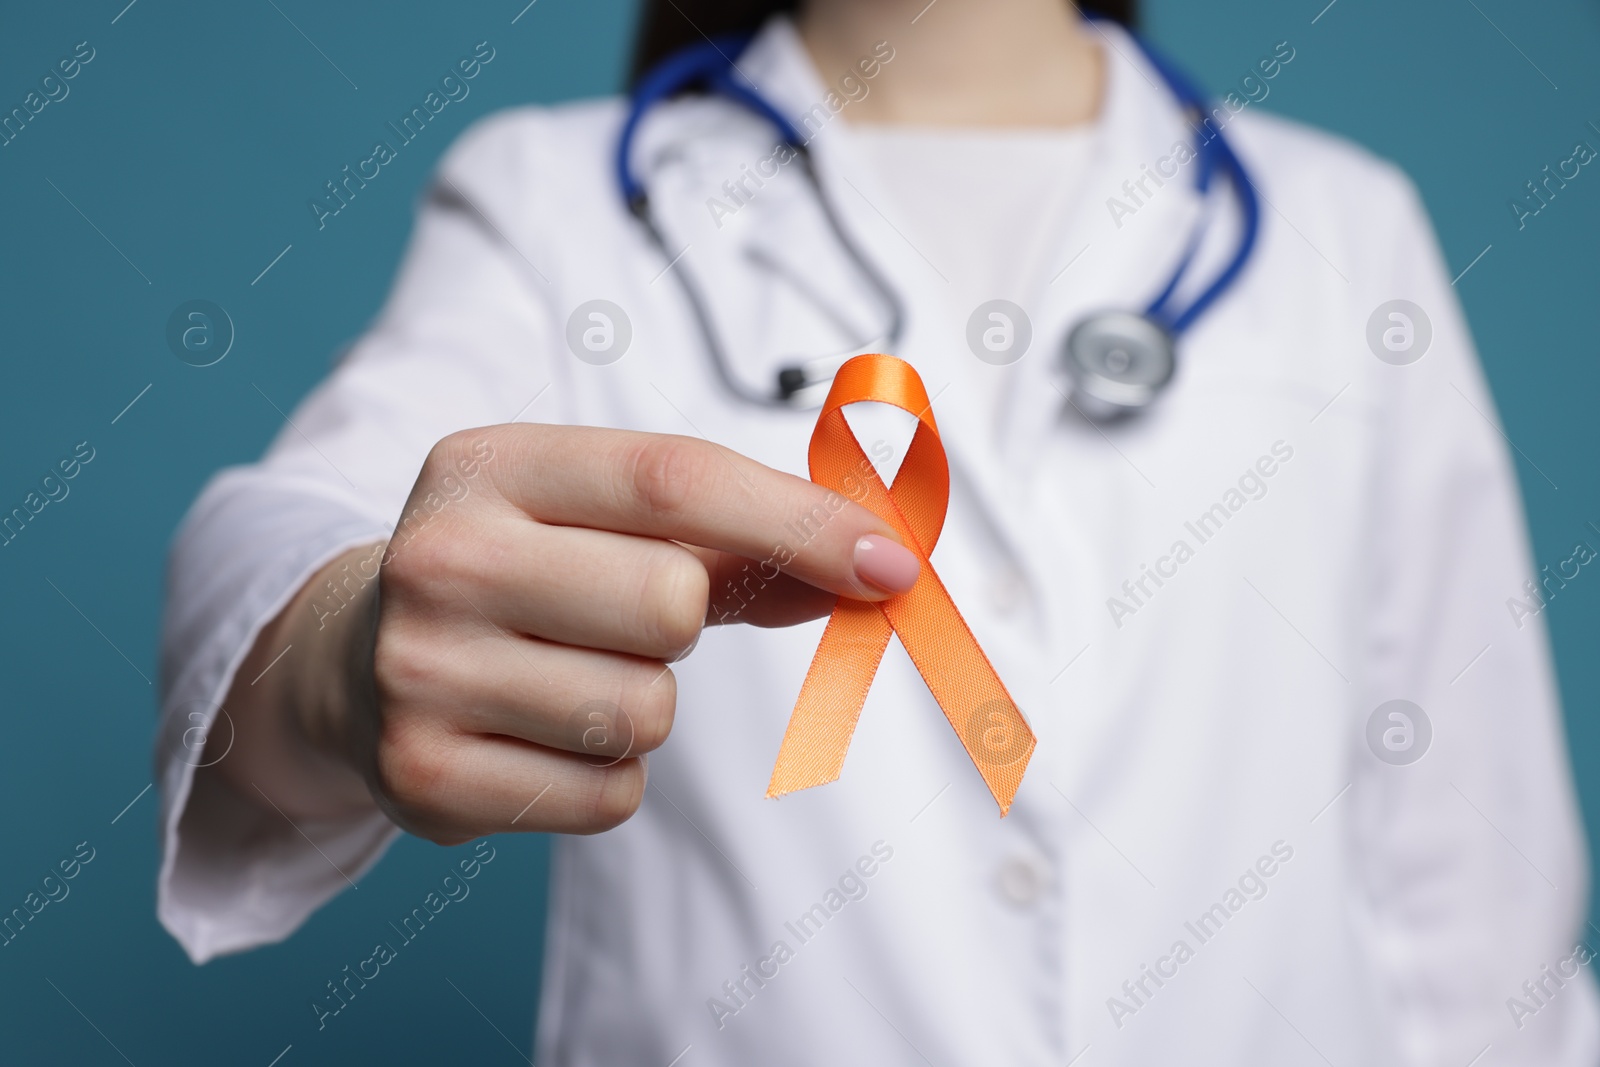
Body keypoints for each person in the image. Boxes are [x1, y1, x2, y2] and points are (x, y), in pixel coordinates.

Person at [156, 0, 1600, 1062]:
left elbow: (1479, 909)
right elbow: (283, 540)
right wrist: (345, 659)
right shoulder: (566, 208)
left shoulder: (1341, 232)